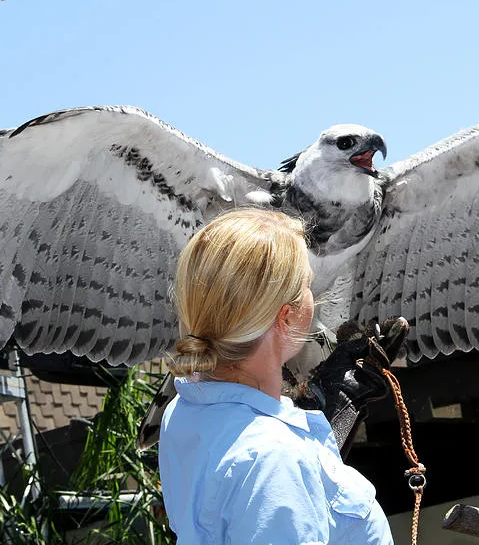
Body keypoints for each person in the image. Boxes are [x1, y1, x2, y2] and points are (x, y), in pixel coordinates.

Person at [158, 208, 394, 544]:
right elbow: (267, 475)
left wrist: (327, 421)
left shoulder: (186, 409)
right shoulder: (274, 460)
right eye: (307, 285)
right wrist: (290, 453)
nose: (314, 296)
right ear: (287, 317)